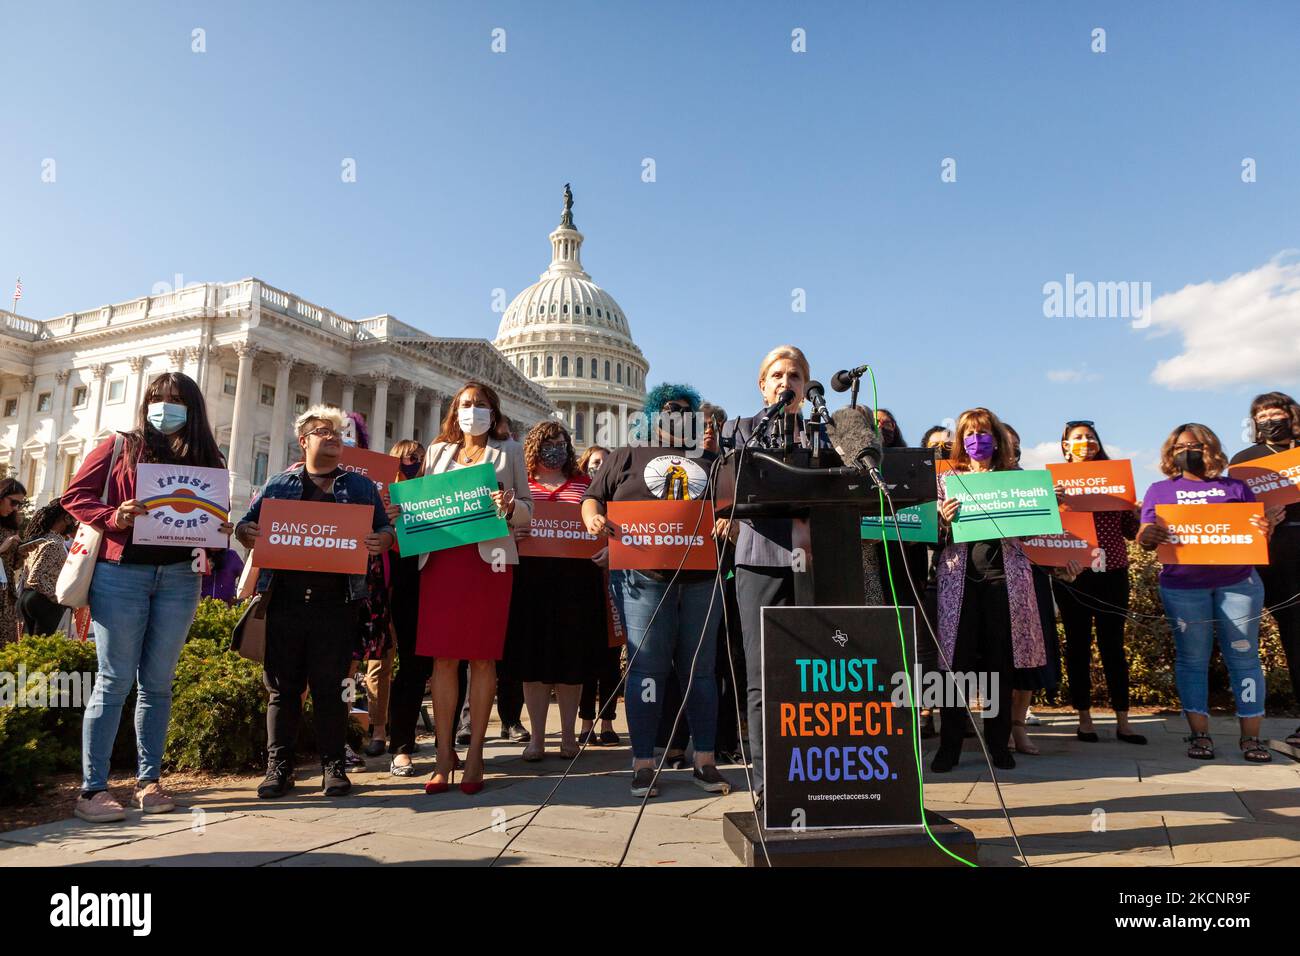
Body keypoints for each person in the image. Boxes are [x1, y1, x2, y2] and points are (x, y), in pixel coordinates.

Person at [63, 372, 232, 822]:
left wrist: (220, 530)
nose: (165, 405)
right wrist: (112, 514)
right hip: (121, 573)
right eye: (157, 397)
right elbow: (74, 496)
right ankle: (92, 790)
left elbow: (214, 515)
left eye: (176, 399)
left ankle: (148, 780)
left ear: (192, 407)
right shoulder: (121, 446)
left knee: (157, 684)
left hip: (179, 577)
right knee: (114, 680)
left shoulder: (208, 457)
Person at [236, 405, 396, 798]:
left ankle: (333, 767)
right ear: (303, 440)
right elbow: (246, 524)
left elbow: (385, 529)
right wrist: (245, 531)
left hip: (337, 603)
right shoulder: (278, 485)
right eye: (323, 432)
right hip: (286, 601)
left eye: (338, 433)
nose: (333, 437)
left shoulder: (359, 488)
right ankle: (279, 769)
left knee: (331, 688)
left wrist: (384, 540)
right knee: (282, 690)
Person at [583, 383, 733, 798]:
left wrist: (729, 523)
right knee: (647, 670)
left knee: (700, 672)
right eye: (671, 407)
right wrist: (594, 521)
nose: (679, 414)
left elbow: (732, 507)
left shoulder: (711, 460)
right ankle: (644, 763)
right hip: (643, 578)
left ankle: (704, 761)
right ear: (654, 413)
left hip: (702, 578)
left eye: (688, 409)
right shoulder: (624, 456)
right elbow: (593, 499)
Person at [389, 382, 533, 796]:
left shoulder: (509, 451)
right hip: (443, 561)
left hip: (489, 561)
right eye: (466, 405)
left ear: (493, 411)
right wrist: (402, 511)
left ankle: (474, 756)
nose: (473, 411)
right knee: (444, 660)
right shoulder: (436, 452)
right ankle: (442, 757)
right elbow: (423, 504)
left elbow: (528, 505)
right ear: (456, 410)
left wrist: (511, 507)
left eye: (481, 405)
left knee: (483, 658)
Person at [1139, 422, 1274, 763]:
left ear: (1212, 448)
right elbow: (1143, 534)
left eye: (1197, 445)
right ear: (1171, 453)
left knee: (1244, 659)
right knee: (1192, 660)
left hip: (1238, 583)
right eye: (1181, 447)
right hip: (1183, 586)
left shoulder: (1237, 487)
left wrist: (1264, 527)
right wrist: (1148, 535)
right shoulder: (1159, 489)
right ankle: (1200, 735)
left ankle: (1252, 738)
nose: (1189, 452)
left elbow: (1255, 537)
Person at [931, 408, 1048, 773]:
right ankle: (948, 746)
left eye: (983, 434)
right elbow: (929, 536)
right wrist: (942, 519)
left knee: (1000, 666)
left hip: (1005, 581)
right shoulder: (945, 479)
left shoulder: (1015, 479)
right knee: (955, 666)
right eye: (969, 433)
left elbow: (1030, 533)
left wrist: (1045, 506)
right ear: (959, 440)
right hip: (958, 582)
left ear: (996, 439)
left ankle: (998, 744)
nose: (976, 440)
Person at [719, 346, 810, 808]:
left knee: (813, 673)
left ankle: (811, 771)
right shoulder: (739, 431)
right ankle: (768, 781)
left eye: (794, 375)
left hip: (816, 562)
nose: (785, 381)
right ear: (762, 384)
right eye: (777, 374)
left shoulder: (821, 431)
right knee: (762, 675)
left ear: (805, 386)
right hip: (759, 559)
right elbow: (733, 491)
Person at [501, 421, 607, 759]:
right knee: (533, 660)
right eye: (547, 442)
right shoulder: (522, 487)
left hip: (576, 579)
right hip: (531, 579)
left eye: (560, 442)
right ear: (534, 446)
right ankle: (537, 738)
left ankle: (568, 737)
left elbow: (600, 522)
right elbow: (500, 526)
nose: (555, 448)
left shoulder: (584, 486)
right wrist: (509, 535)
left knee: (571, 659)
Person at [1049, 420, 1145, 744]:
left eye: (1090, 436)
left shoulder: (1115, 480)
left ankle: (1123, 720)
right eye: (1077, 438)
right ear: (1065, 446)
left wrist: (1138, 511)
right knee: (1077, 646)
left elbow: (1132, 531)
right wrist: (1050, 500)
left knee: (1113, 646)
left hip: (1112, 570)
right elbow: (1041, 528)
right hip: (1072, 572)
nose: (1085, 442)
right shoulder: (1053, 483)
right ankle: (1084, 718)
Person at [1229, 392, 1300, 747]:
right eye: (1262, 415)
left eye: (1277, 412)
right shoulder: (1244, 461)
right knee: (1290, 638)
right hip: (1271, 560)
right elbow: (1233, 513)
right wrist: (1260, 520)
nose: (1270, 419)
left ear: (1292, 416)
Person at [15, 501, 75, 637]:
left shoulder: (41, 539)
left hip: (28, 597)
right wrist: (57, 598)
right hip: (43, 601)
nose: (74, 524)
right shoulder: (53, 543)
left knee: (29, 648)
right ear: (66, 518)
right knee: (43, 650)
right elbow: (35, 578)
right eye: (73, 519)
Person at [0, 477, 28, 646]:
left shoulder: (12, 525)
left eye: (20, 504)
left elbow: (13, 565)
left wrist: (22, 552)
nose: (15, 508)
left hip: (6, 594)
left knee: (6, 646)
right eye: (13, 502)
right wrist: (2, 548)